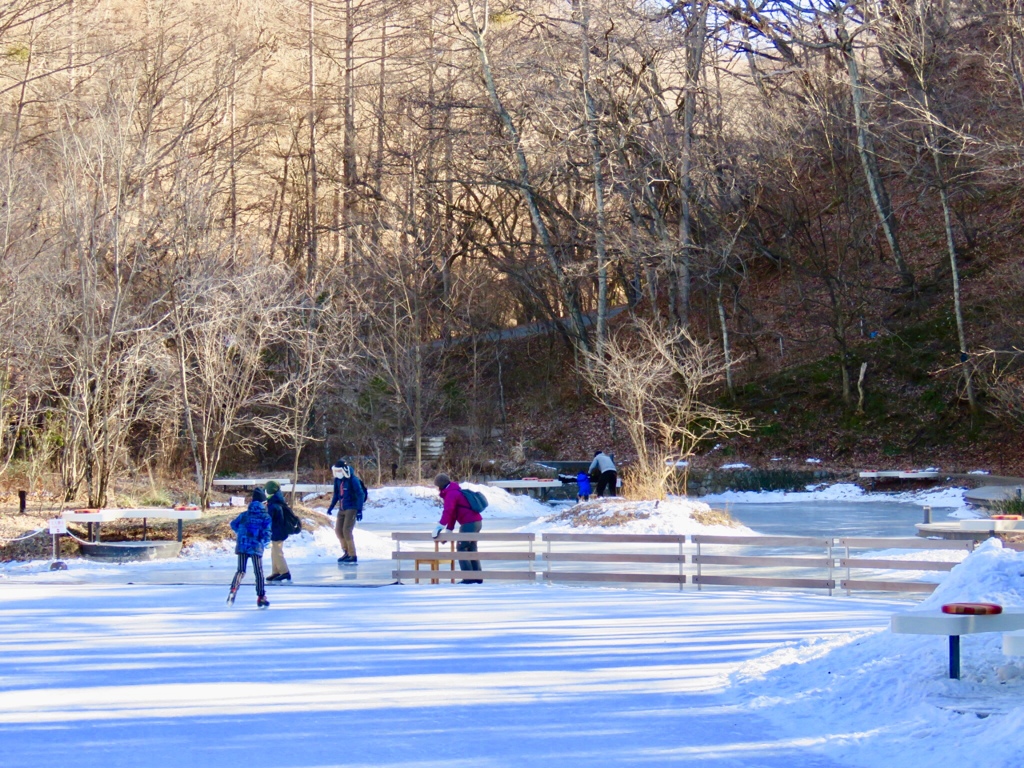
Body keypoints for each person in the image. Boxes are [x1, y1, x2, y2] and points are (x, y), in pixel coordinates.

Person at [433, 473, 482, 583]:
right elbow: (453, 514)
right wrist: (448, 531)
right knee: (471, 548)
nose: (436, 489)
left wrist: (439, 526)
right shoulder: (453, 491)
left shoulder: (451, 494)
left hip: (469, 523)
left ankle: (468, 579)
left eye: (436, 486)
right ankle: (477, 578)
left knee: (462, 548)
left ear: (440, 485)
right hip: (476, 522)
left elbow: (448, 512)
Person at [227, 487, 272, 608]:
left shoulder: (244, 514)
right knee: (258, 572)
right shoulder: (265, 517)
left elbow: (233, 524)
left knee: (241, 570)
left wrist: (242, 533)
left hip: (242, 545)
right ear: (264, 503)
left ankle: (233, 590)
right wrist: (265, 542)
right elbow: (267, 533)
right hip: (256, 547)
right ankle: (261, 597)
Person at [326, 459, 364, 565]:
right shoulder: (338, 480)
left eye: (339, 471)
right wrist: (331, 507)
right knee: (338, 530)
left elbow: (360, 494)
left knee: (347, 530)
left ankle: (353, 554)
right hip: (342, 508)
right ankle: (346, 552)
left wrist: (359, 510)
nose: (337, 473)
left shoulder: (353, 480)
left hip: (351, 508)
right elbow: (336, 494)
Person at [264, 480, 293, 583]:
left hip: (278, 532)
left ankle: (284, 572)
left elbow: (270, 518)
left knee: (278, 552)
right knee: (274, 552)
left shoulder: (274, 504)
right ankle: (276, 571)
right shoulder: (275, 501)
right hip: (276, 531)